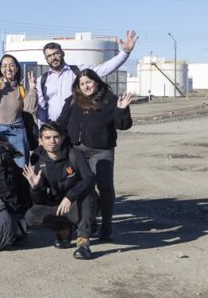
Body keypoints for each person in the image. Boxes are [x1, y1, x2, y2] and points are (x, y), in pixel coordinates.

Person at [56, 69, 134, 241]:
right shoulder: (72, 101)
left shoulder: (110, 100)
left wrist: (122, 109)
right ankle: (87, 223)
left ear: (97, 82)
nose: (86, 86)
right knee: (84, 187)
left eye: (89, 82)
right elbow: (61, 123)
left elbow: (123, 125)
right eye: (82, 83)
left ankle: (107, 225)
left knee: (105, 186)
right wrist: (48, 136)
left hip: (101, 150)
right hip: (77, 151)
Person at [23, 123, 97, 260]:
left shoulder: (75, 155)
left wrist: (70, 196)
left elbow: (89, 179)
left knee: (88, 196)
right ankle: (64, 228)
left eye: (56, 137)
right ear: (40, 141)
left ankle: (83, 241)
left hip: (77, 204)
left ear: (62, 138)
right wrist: (35, 188)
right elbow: (40, 201)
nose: (52, 141)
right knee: (32, 215)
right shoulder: (40, 164)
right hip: (59, 207)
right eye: (47, 137)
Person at [37, 30, 138, 125]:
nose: (53, 58)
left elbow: (104, 69)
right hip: (54, 129)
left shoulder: (77, 72)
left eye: (56, 53)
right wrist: (42, 129)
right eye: (49, 56)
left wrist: (125, 52)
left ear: (62, 53)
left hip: (75, 127)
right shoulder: (42, 80)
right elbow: (41, 108)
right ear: (46, 59)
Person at [0, 54, 37, 167]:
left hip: (17, 132)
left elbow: (30, 109)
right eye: (4, 66)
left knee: (20, 167)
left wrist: (32, 88)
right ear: (1, 69)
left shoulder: (20, 89)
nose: (8, 69)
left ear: (16, 68)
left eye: (11, 65)